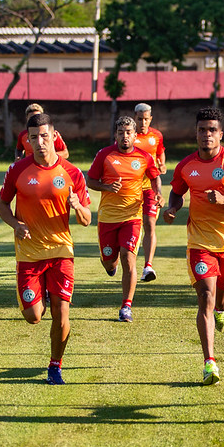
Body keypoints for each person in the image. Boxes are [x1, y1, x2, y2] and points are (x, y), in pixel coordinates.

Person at [163, 107, 224, 385]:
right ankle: (209, 363)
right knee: (206, 295)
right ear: (196, 133)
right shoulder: (186, 166)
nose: (206, 135)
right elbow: (177, 190)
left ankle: (223, 310)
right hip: (199, 242)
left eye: (211, 130)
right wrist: (172, 208)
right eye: (202, 130)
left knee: (222, 299)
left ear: (220, 134)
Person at [0, 112, 92, 385]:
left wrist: (77, 207)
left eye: (45, 137)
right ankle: (42, 299)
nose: (40, 142)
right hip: (29, 254)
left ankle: (55, 366)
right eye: (34, 138)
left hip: (62, 251)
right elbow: (2, 205)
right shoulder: (17, 170)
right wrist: (15, 224)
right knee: (33, 317)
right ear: (28, 140)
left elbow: (86, 220)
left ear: (54, 137)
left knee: (62, 314)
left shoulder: (72, 173)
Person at [87, 115, 164, 322]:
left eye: (128, 133)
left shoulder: (143, 157)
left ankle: (126, 307)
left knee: (128, 258)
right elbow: (90, 180)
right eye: (121, 133)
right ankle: (109, 266)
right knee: (109, 262)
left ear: (135, 135)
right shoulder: (104, 155)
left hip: (132, 217)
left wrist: (158, 194)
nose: (125, 137)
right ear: (115, 135)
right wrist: (106, 187)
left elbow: (155, 176)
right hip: (108, 218)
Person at [132, 103, 167, 282]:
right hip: (131, 189)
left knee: (150, 225)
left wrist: (162, 164)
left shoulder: (157, 136)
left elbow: (160, 153)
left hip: (150, 187)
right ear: (134, 118)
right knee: (132, 227)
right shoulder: (128, 135)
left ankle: (148, 267)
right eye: (139, 119)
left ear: (150, 119)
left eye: (146, 119)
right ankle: (118, 260)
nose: (143, 122)